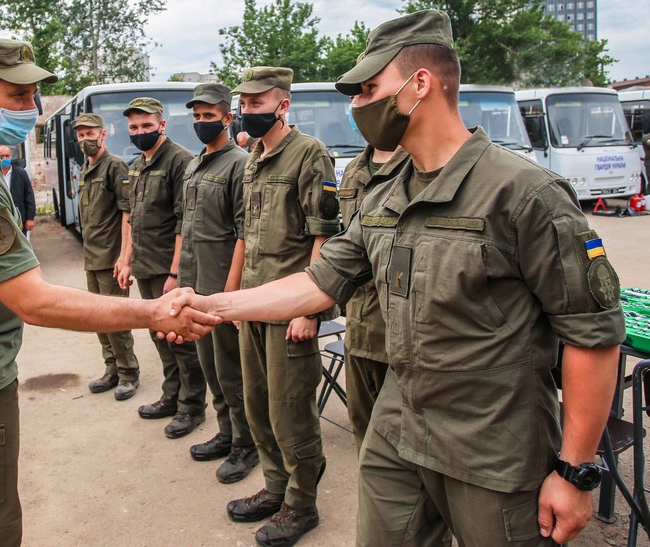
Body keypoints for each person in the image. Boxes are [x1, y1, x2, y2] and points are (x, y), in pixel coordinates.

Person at [168, 10, 626, 547]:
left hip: (492, 448)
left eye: (369, 89)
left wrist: (574, 471)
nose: (358, 105)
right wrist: (214, 305)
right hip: (398, 427)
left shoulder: (524, 193)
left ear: (420, 84)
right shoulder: (386, 194)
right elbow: (318, 281)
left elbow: (592, 334)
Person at [0, 37, 217, 546]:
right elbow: (34, 301)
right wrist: (154, 313)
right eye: (18, 96)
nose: (32, 108)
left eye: (33, 95)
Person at [223, 67, 342, 547]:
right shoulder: (254, 157)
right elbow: (247, 235)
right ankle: (276, 487)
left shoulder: (310, 153)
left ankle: (302, 504)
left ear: (283, 105)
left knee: (291, 411)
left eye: (257, 103)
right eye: (244, 104)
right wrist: (234, 302)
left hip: (290, 305)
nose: (247, 111)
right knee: (258, 405)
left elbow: (324, 236)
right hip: (254, 303)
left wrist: (308, 310)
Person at [180, 83, 258, 483]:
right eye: (196, 116)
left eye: (208, 116)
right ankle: (226, 432)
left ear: (227, 118)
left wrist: (230, 295)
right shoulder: (195, 163)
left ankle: (247, 443)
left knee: (231, 372)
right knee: (210, 367)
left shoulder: (239, 164)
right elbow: (187, 225)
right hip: (195, 284)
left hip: (221, 287)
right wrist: (180, 281)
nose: (201, 122)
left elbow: (245, 233)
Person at [123, 97, 208, 439]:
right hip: (146, 265)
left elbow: (183, 221)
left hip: (168, 269)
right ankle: (171, 396)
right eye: (133, 127)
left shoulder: (179, 161)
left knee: (181, 339)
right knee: (160, 336)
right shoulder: (137, 164)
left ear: (161, 125)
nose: (139, 132)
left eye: (146, 125)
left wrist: (174, 274)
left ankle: (192, 407)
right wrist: (126, 259)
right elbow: (132, 217)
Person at [337, 139, 409, 453]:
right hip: (358, 328)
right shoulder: (354, 169)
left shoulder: (417, 166)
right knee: (363, 431)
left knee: (403, 443)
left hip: (400, 337)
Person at [72, 112, 141, 400]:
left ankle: (128, 373)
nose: (85, 139)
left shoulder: (115, 166)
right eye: (81, 135)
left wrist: (125, 257)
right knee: (98, 319)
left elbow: (128, 214)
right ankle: (111, 368)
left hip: (111, 259)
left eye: (91, 133)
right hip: (92, 257)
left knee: (116, 320)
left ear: (103, 134)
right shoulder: (86, 169)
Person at [0, 144, 36, 237]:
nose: (4, 158)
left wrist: (30, 218)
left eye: (7, 156)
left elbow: (29, 196)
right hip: (0, 220)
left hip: (19, 219)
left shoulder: (21, 173)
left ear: (11, 157)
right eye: (1, 156)